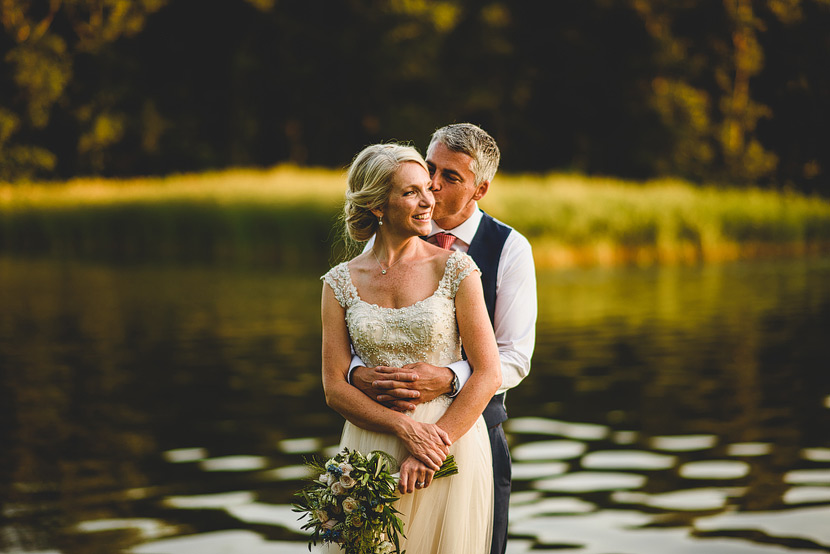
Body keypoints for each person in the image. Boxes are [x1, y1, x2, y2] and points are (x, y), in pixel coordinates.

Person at [349, 123, 537, 554]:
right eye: (430, 168)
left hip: (472, 436)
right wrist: (360, 374)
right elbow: (361, 328)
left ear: (480, 189)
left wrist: (449, 378)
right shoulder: (390, 235)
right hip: (382, 431)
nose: (431, 185)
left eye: (450, 177)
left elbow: (514, 357)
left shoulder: (509, 249)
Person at [320, 142, 502, 553]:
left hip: (449, 448)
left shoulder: (456, 268)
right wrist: (404, 428)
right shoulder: (339, 282)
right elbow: (334, 386)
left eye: (428, 188)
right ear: (378, 206)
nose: (429, 200)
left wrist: (432, 447)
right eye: (411, 192)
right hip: (370, 449)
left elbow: (489, 372)